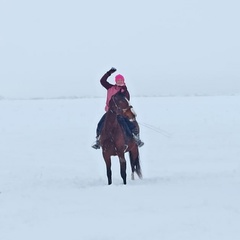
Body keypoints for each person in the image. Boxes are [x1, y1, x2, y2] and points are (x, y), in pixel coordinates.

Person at [92, 67, 144, 149]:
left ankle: (136, 137)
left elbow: (126, 102)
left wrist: (124, 89)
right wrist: (109, 73)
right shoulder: (110, 88)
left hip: (120, 113)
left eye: (121, 80)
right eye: (118, 80)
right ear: (116, 81)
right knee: (100, 124)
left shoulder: (124, 91)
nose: (120, 81)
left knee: (129, 124)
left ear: (123, 81)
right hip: (110, 112)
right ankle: (98, 140)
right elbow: (102, 81)